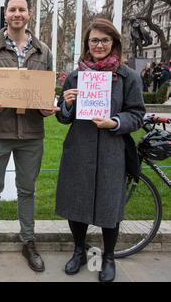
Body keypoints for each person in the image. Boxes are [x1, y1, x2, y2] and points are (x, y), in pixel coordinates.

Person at [0, 0, 59, 273]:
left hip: (31, 134)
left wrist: (48, 106)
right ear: (4, 14)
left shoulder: (44, 52)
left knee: (27, 189)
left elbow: (46, 90)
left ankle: (28, 242)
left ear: (29, 14)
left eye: (22, 9)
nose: (17, 14)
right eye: (12, 9)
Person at [55, 18, 145, 282]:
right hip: (79, 150)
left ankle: (107, 258)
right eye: (94, 40)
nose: (99, 45)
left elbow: (137, 115)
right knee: (76, 203)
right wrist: (67, 105)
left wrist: (115, 122)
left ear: (114, 43)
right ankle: (79, 251)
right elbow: (63, 117)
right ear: (87, 44)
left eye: (105, 40)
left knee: (109, 206)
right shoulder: (75, 76)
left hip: (111, 152)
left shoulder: (128, 77)